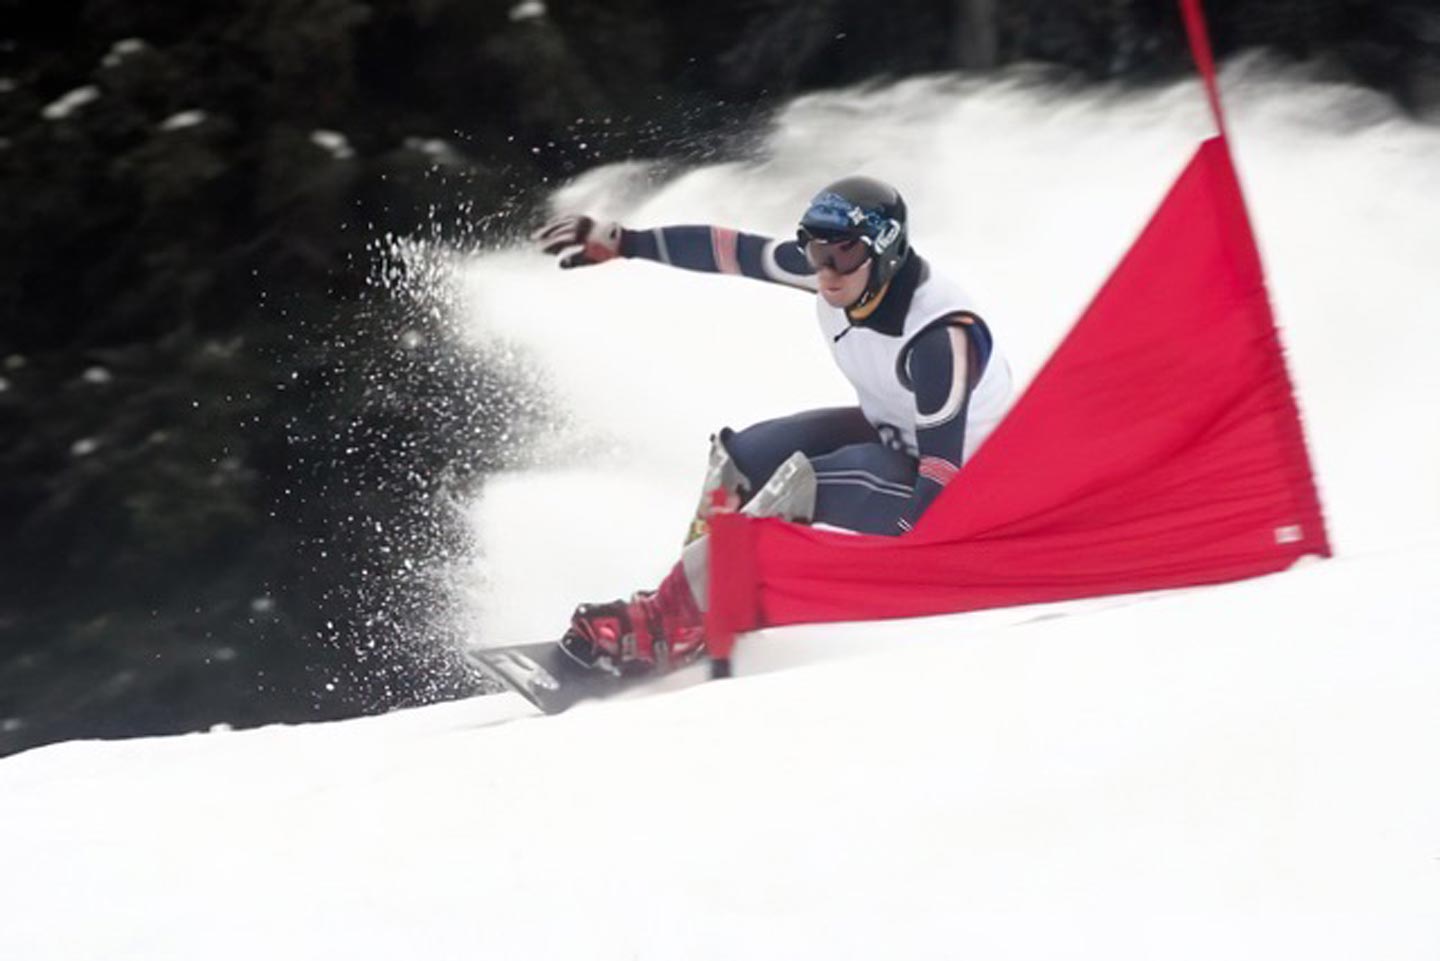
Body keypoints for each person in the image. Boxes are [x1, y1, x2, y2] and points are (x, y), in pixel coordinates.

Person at [532, 176, 1012, 675]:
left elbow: (941, 472)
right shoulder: (845, 274)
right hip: (898, 440)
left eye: (842, 254)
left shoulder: (938, 337)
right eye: (815, 251)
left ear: (886, 251)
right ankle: (685, 609)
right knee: (742, 458)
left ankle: (671, 621)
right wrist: (624, 241)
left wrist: (905, 566)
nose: (826, 271)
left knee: (798, 484)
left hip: (961, 496)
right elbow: (729, 251)